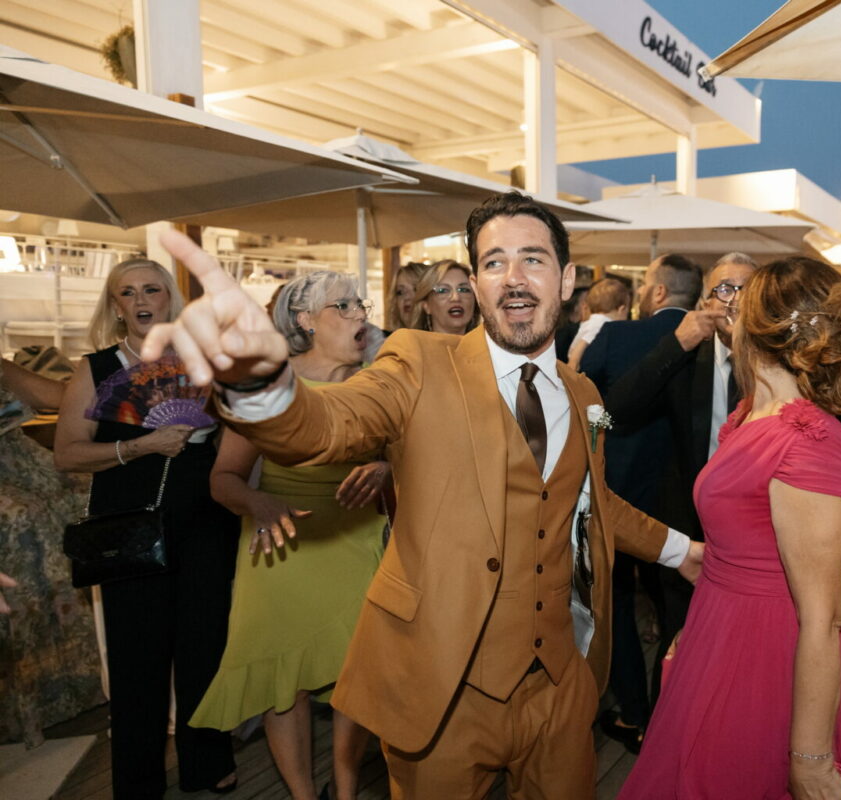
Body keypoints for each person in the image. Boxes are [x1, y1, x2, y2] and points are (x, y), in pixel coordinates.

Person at [142, 191, 704, 798]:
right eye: (494, 262)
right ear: (478, 285)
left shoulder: (584, 394)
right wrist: (259, 383)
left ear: (566, 280)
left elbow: (590, 503)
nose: (514, 278)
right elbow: (327, 425)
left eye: (533, 259)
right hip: (444, 689)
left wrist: (682, 551)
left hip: (561, 686)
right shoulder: (416, 362)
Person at [619, 256, 841, 800]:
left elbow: (824, 617)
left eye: (738, 299)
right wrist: (702, 625)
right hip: (721, 632)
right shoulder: (753, 414)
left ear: (757, 326)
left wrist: (810, 760)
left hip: (765, 655)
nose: (726, 307)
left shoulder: (806, 440)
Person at [191, 272, 389, 800]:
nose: (359, 314)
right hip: (281, 544)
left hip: (356, 539)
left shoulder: (379, 384)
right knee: (284, 681)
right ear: (305, 320)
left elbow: (413, 456)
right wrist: (258, 503)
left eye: (360, 304)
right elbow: (223, 478)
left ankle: (345, 789)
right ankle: (303, 795)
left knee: (357, 673)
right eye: (343, 305)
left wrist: (388, 469)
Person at [53, 257, 239, 797]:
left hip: (205, 521)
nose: (140, 300)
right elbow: (67, 453)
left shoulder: (205, 360)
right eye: (127, 292)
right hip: (129, 530)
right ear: (116, 306)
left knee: (206, 647)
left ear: (168, 299)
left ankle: (208, 762)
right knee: (137, 658)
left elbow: (241, 432)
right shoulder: (97, 368)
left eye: (151, 289)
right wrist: (142, 444)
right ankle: (138, 781)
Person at [579, 253, 704, 754]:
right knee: (679, 613)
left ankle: (635, 713)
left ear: (657, 292)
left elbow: (590, 406)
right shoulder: (712, 345)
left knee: (617, 604)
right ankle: (676, 718)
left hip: (621, 496)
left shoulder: (617, 336)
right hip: (684, 508)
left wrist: (606, 434)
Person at [0, 357, 101, 747]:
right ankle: (29, 695)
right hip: (11, 486)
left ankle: (94, 673)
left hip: (19, 460)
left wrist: (112, 386)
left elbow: (56, 395)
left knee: (94, 492)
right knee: (23, 519)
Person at [566, 278, 630, 371]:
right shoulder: (601, 322)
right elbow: (583, 342)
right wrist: (573, 363)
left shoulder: (593, 320)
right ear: (622, 310)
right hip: (579, 365)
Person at [413, 259, 477, 335]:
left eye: (463, 290)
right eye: (443, 290)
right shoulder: (408, 341)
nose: (456, 298)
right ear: (426, 305)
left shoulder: (485, 342)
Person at [387, 260, 429, 331]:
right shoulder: (389, 337)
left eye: (416, 289)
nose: (407, 297)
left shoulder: (445, 337)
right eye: (400, 292)